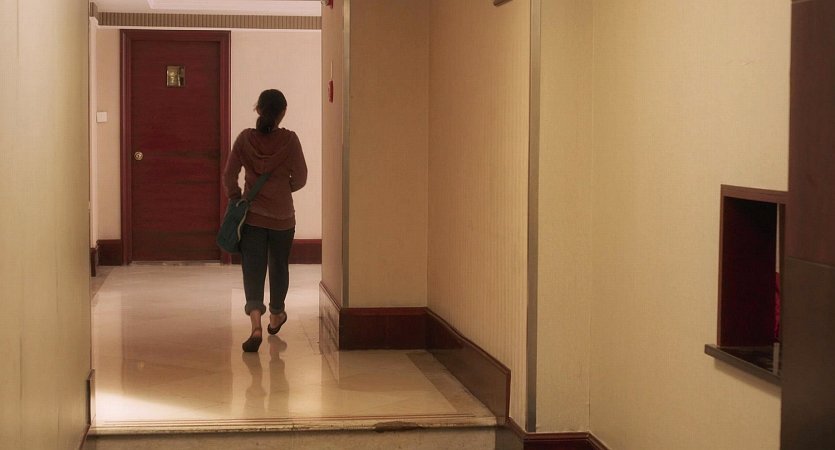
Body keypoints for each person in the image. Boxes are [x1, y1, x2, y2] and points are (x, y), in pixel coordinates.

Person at [223, 89, 307, 353]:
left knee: (253, 268)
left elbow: (228, 175)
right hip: (283, 218)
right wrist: (283, 189)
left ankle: (256, 326)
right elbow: (301, 177)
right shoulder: (290, 141)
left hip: (253, 218)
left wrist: (237, 198)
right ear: (282, 113)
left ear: (258, 110)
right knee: (279, 266)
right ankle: (276, 315)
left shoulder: (245, 139)